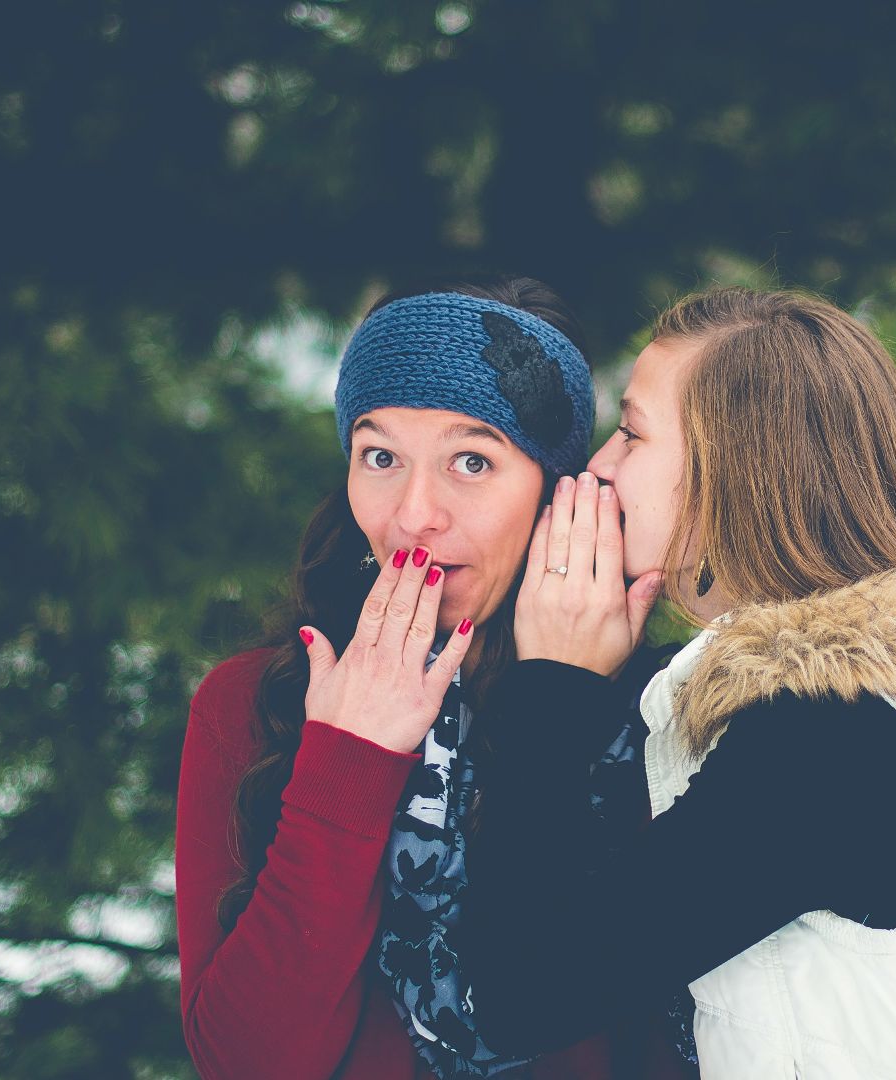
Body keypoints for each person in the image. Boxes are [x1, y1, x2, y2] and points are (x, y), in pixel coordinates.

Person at [453, 286, 896, 1078]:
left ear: (733, 470)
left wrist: (552, 693)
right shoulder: (893, 710)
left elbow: (526, 992)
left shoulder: (831, 744)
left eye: (631, 433)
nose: (599, 467)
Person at [173, 276, 695, 1079]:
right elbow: (248, 1062)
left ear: (558, 495)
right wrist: (348, 758)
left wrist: (559, 699)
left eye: (471, 461)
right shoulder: (254, 704)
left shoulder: (660, 708)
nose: (415, 513)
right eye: (379, 456)